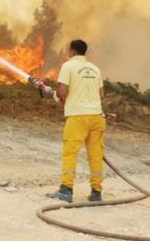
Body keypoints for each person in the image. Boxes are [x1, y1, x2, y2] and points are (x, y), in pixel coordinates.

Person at [46, 39, 106, 203]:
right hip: (97, 117)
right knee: (95, 155)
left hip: (78, 117)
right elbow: (101, 95)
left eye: (68, 50)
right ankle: (96, 192)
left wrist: (57, 96)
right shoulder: (95, 68)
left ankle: (66, 191)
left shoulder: (68, 66)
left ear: (72, 51)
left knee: (70, 153)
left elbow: (62, 92)